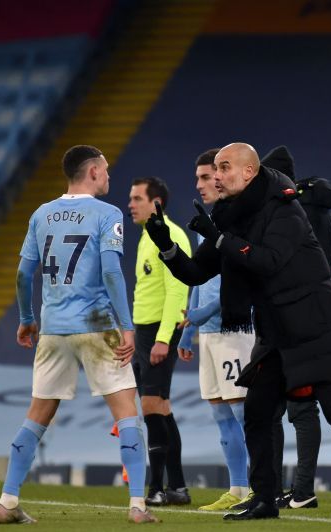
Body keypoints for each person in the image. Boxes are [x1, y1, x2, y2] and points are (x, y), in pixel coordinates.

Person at [145, 143, 331, 520]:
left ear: (249, 172)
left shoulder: (284, 208)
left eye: (223, 168)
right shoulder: (230, 215)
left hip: (314, 325)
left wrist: (220, 239)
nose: (216, 176)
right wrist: (165, 244)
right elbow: (196, 272)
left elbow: (267, 261)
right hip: (276, 331)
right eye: (215, 169)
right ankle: (264, 500)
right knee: (257, 412)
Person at [0, 145, 157, 524]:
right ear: (95, 171)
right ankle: (137, 507)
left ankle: (7, 501)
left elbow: (22, 275)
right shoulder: (107, 213)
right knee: (127, 411)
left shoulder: (41, 214)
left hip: (52, 328)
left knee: (37, 416)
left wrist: (27, 317)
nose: (110, 177)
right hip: (97, 323)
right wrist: (126, 325)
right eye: (107, 170)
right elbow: (112, 273)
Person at [177, 149, 254, 511]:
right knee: (220, 412)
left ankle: (257, 486)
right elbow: (198, 278)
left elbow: (245, 278)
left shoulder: (238, 221)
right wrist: (189, 329)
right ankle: (236, 488)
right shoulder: (206, 223)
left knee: (242, 412)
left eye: (207, 177)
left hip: (234, 330)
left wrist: (208, 310)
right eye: (199, 178)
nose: (202, 184)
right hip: (207, 332)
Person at [261, 145, 330, 510]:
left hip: (298, 323)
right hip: (295, 322)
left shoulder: (296, 215)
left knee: (300, 410)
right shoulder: (310, 212)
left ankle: (300, 489)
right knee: (281, 410)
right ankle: (283, 488)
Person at [127, 176, 192, 506]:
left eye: (137, 198)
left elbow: (177, 291)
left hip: (158, 333)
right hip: (144, 332)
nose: (131, 204)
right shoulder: (145, 237)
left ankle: (155, 488)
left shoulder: (172, 235)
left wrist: (163, 339)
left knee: (153, 406)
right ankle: (177, 487)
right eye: (131, 198)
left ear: (156, 203)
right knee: (159, 408)